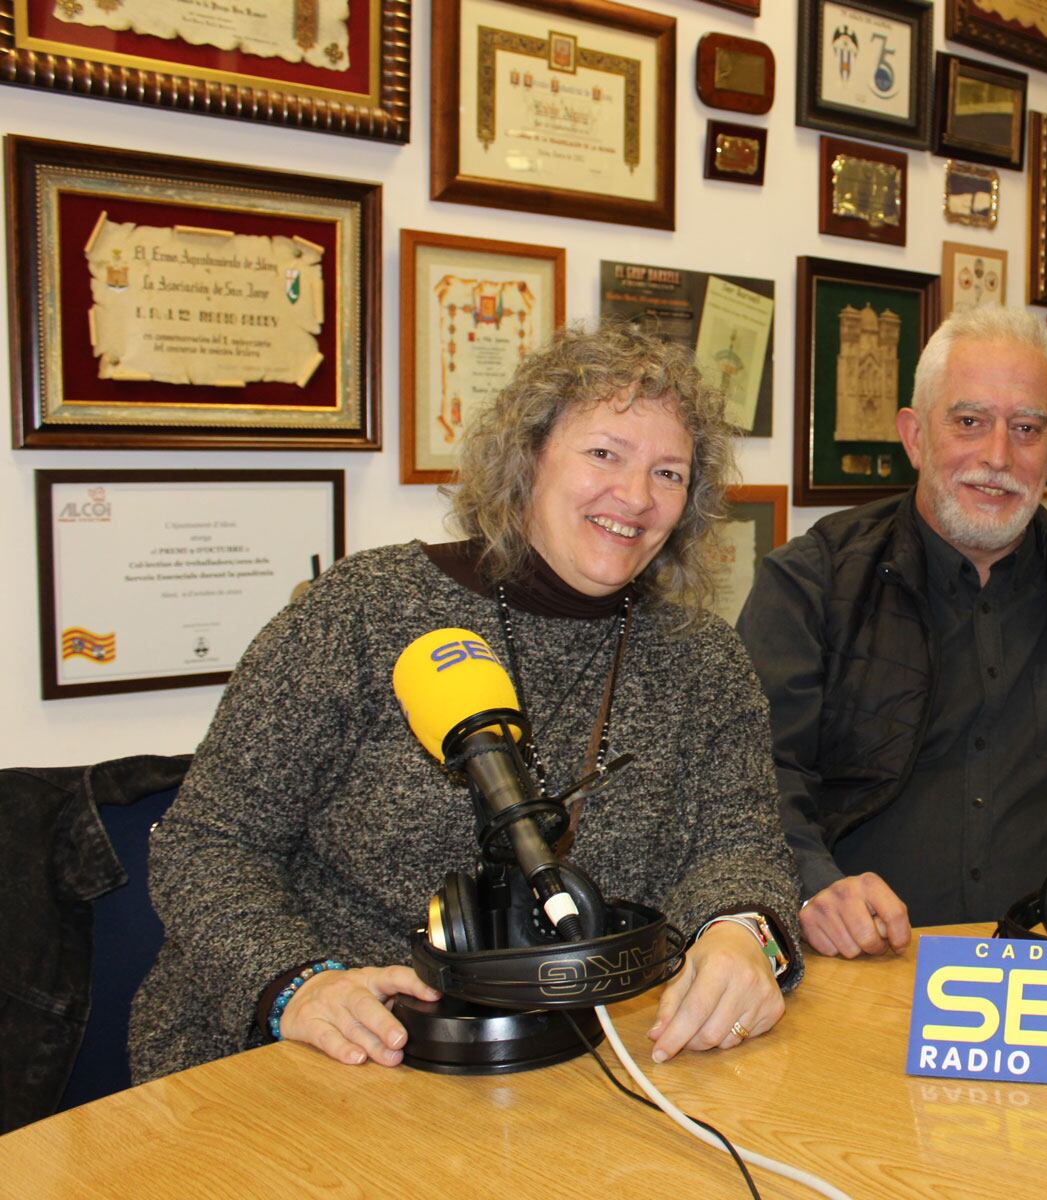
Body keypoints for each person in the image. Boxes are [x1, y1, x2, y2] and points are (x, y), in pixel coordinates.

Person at [129, 325, 801, 1081]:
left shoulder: (703, 660)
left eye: (670, 473)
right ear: (526, 460)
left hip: (570, 1064)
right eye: (604, 454)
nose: (637, 497)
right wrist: (295, 983)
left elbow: (740, 847)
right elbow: (208, 843)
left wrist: (744, 933)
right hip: (314, 1054)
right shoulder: (365, 611)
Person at [736, 307, 1047, 958]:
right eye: (969, 422)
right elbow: (748, 773)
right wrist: (813, 886)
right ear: (916, 435)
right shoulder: (813, 584)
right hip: (869, 973)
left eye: (1026, 428)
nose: (998, 456)